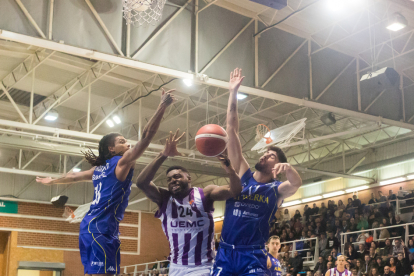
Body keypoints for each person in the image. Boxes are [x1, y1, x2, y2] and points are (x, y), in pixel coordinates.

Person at [36, 89, 176, 275]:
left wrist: (53, 181)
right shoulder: (121, 163)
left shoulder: (98, 170)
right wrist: (162, 106)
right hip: (100, 229)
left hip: (94, 228)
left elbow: (74, 177)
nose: (128, 145)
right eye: (122, 141)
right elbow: (146, 137)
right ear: (112, 149)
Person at [211, 68, 302, 276]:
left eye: (271, 156)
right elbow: (231, 130)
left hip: (252, 255)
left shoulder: (276, 189)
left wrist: (289, 169)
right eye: (265, 153)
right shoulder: (243, 174)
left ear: (277, 166)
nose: (264, 155)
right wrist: (232, 92)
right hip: (225, 252)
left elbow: (296, 184)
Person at [136, 130, 242, 276]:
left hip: (204, 266)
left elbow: (234, 191)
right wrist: (163, 154)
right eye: (169, 179)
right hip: (176, 267)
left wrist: (230, 171)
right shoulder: (165, 199)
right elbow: (141, 183)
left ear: (189, 178)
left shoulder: (205, 194)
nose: (173, 180)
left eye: (177, 176)